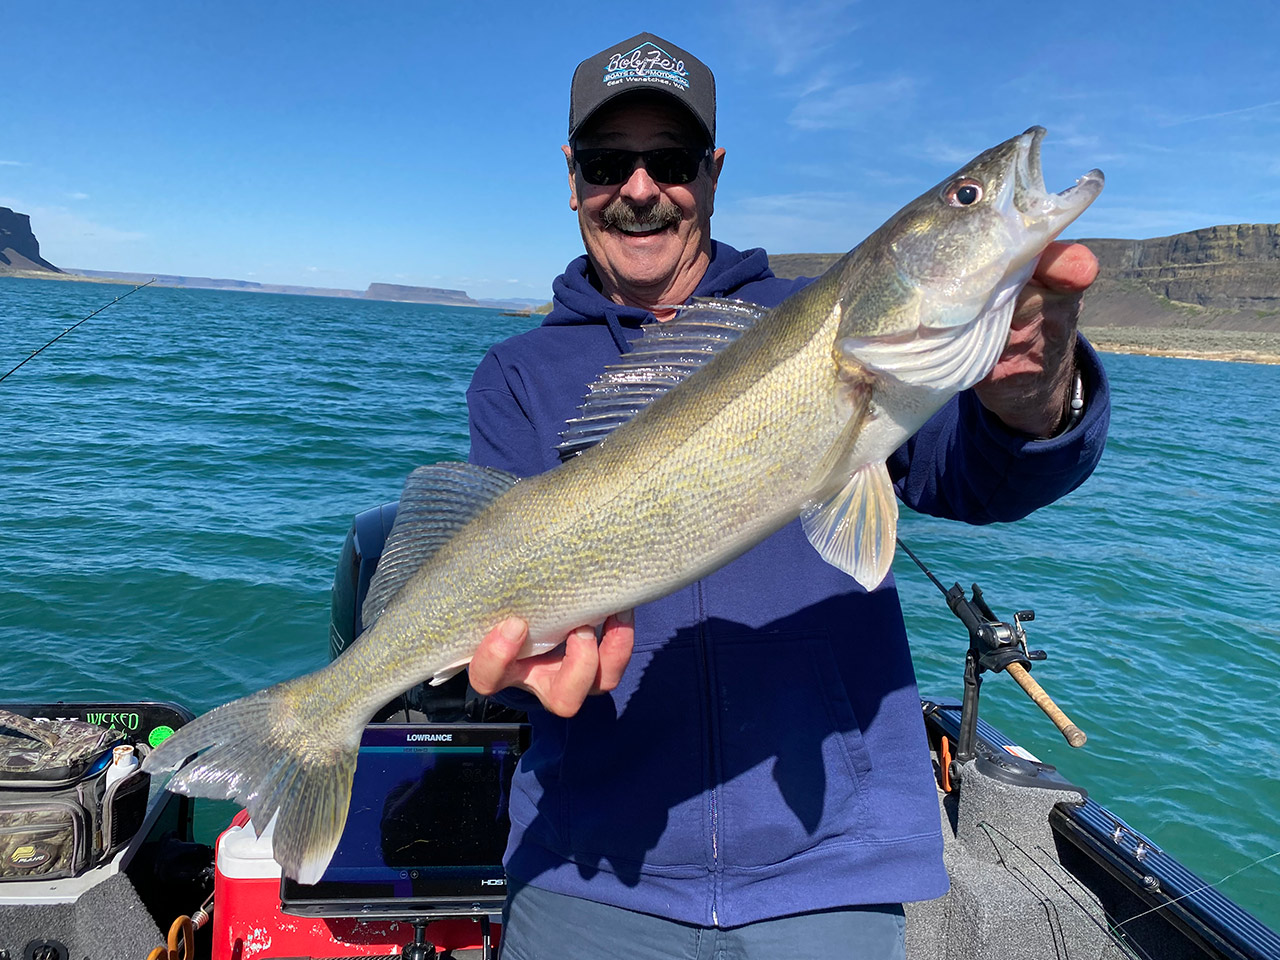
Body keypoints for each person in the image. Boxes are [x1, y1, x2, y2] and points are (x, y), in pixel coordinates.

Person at [462, 32, 1109, 959]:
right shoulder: (516, 375)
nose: (640, 189)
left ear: (713, 172)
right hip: (588, 867)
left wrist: (1033, 400)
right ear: (573, 179)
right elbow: (507, 588)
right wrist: (525, 666)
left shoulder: (838, 333)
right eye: (610, 163)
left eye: (670, 161)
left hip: (830, 873)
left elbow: (981, 475)